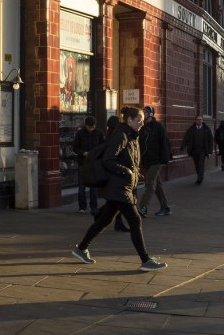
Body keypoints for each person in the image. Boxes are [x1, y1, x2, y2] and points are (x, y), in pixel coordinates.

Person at [71, 105, 166, 272]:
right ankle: (145, 260)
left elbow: (131, 160)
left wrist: (135, 173)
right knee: (135, 221)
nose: (141, 124)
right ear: (129, 120)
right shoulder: (121, 136)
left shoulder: (132, 136)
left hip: (122, 185)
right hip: (119, 186)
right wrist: (126, 171)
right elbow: (108, 160)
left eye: (142, 121)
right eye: (139, 121)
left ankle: (81, 248)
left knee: (104, 220)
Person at [138, 105, 172, 217]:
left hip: (157, 160)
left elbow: (165, 143)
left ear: (151, 114)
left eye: (145, 113)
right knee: (157, 185)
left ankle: (143, 206)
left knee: (150, 183)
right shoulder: (142, 128)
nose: (143, 115)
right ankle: (165, 207)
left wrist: (164, 159)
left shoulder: (158, 127)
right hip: (147, 160)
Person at [72, 116, 103, 215]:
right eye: (89, 127)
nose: (91, 129)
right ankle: (82, 207)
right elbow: (75, 147)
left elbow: (103, 147)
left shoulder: (99, 133)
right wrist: (82, 153)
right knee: (82, 187)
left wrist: (96, 154)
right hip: (83, 162)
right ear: (86, 125)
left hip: (94, 163)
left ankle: (94, 207)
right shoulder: (80, 133)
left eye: (93, 127)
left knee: (94, 187)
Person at [181, 113, 214, 184]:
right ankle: (199, 175)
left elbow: (210, 140)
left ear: (202, 121)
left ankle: (200, 178)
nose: (199, 121)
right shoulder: (191, 129)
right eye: (198, 119)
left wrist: (210, 150)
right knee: (196, 164)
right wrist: (183, 146)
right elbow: (186, 138)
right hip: (194, 150)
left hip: (202, 150)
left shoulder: (206, 129)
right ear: (195, 121)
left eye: (200, 119)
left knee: (201, 164)